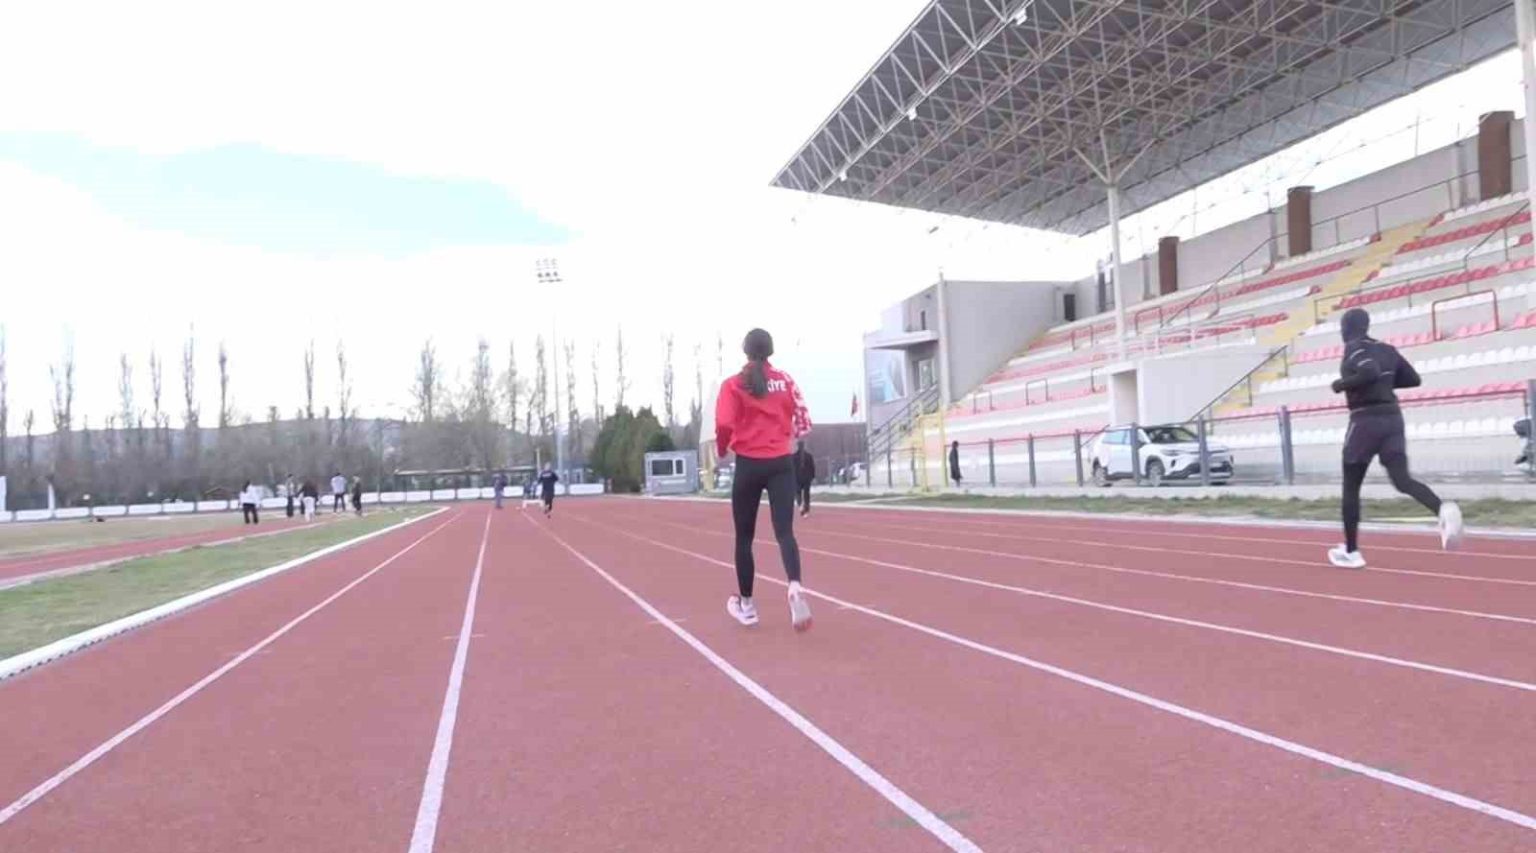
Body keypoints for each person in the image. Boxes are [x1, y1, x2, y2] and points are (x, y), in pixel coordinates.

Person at [1328, 307, 1462, 568]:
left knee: (1351, 487)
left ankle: (1351, 552)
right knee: (1402, 480)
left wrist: (1340, 385)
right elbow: (1413, 379)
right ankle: (1442, 509)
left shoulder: (1354, 348)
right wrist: (1385, 384)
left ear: (1347, 328)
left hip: (1365, 421)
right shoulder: (1387, 349)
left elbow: (1369, 372)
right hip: (1392, 420)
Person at [716, 328, 813, 631]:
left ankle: (747, 606)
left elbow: (723, 423)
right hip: (781, 463)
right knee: (785, 532)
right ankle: (794, 585)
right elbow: (804, 421)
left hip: (749, 464)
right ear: (770, 351)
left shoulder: (733, 384)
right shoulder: (786, 380)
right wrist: (786, 436)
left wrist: (722, 449)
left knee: (744, 538)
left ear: (745, 351)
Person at [793, 440, 815, 517]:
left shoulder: (793, 457)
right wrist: (812, 476)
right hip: (807, 478)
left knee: (798, 493)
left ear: (797, 446)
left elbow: (791, 468)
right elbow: (812, 467)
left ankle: (800, 506)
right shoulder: (809, 456)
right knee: (806, 494)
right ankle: (807, 509)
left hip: (797, 478)